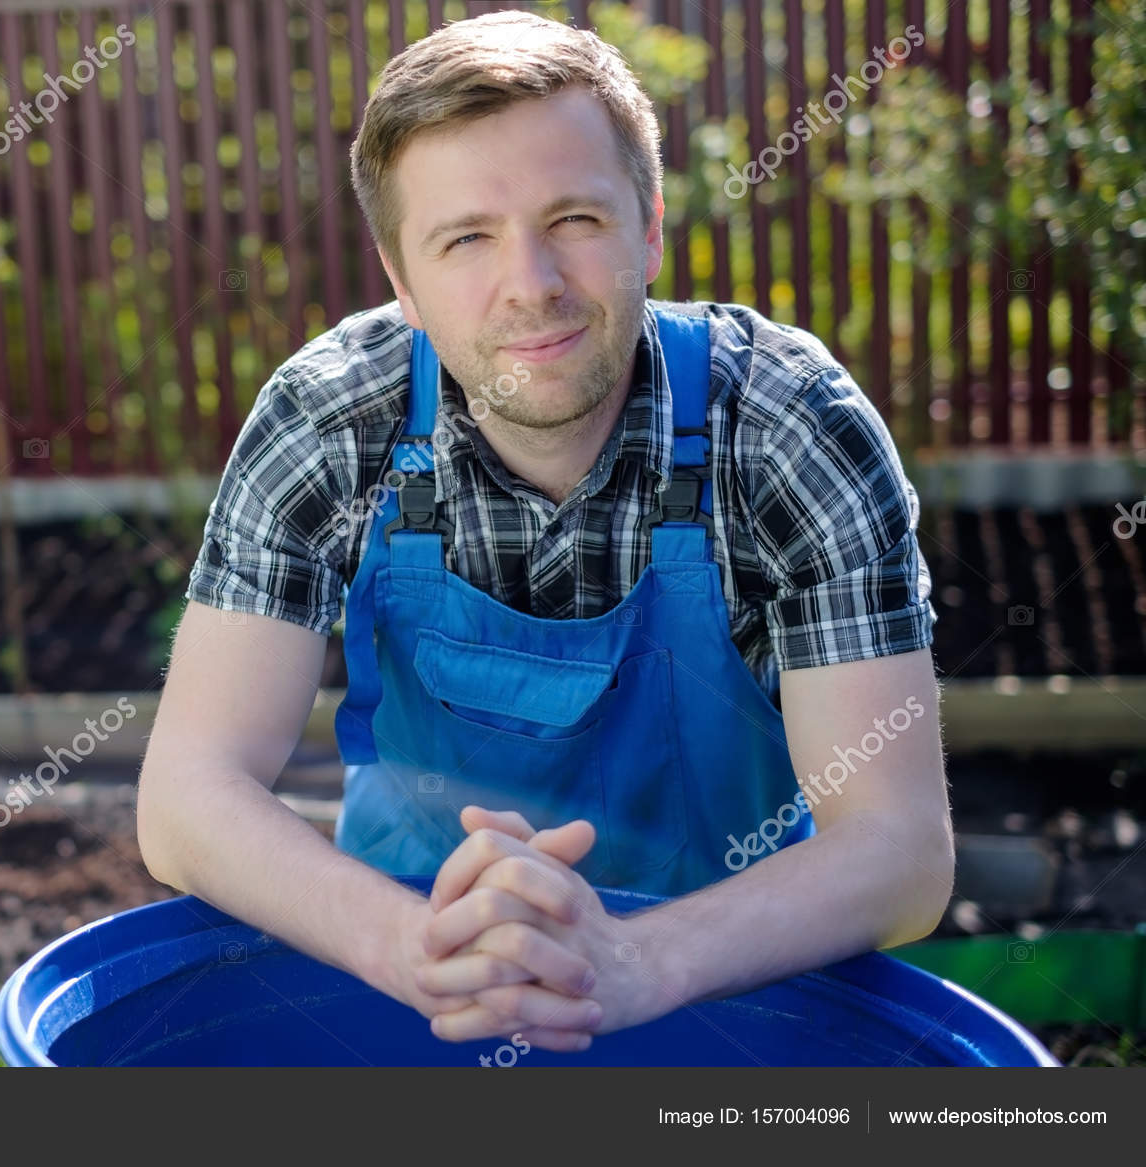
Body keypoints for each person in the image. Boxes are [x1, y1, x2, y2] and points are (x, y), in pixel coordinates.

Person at [136, 9, 952, 1054]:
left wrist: (635, 962)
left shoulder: (785, 427)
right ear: (401, 280)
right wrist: (410, 945)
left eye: (573, 218)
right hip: (412, 997)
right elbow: (187, 796)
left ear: (648, 226)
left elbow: (899, 847)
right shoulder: (333, 419)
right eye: (467, 238)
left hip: (724, 994)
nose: (533, 284)